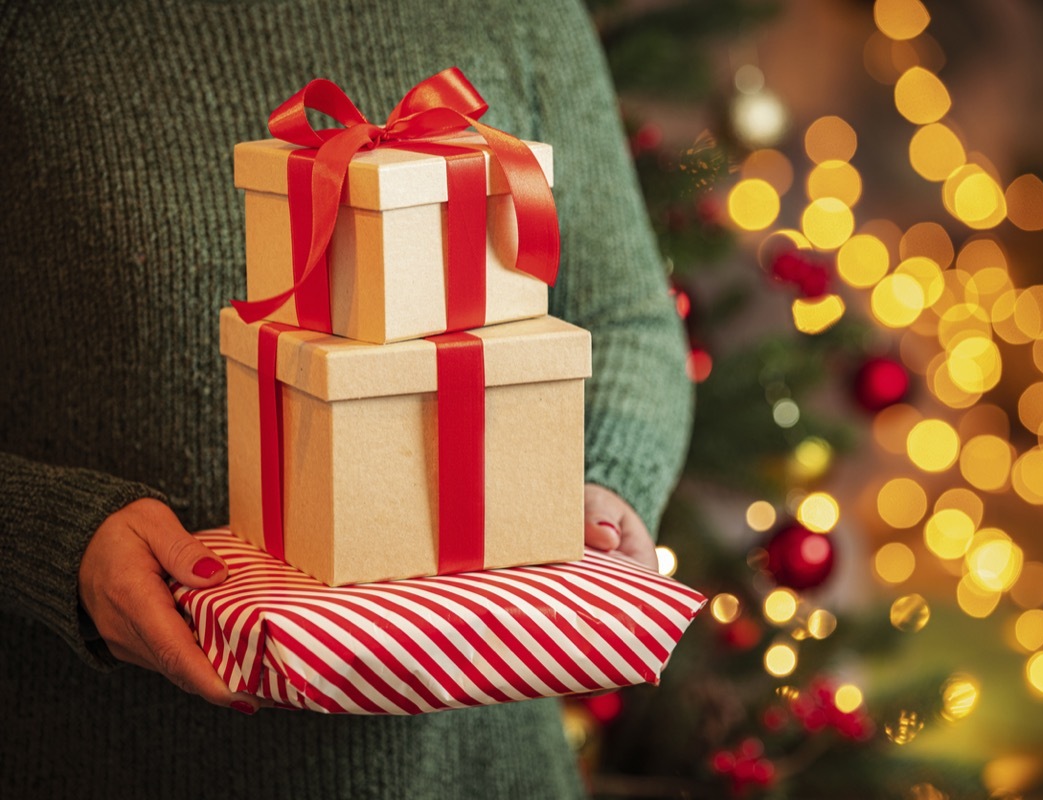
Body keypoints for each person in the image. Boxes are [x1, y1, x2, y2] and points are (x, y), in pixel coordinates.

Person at [0, 0, 691, 797]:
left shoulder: (519, 13)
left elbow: (630, 320)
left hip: (478, 770)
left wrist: (596, 486)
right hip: (104, 752)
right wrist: (54, 538)